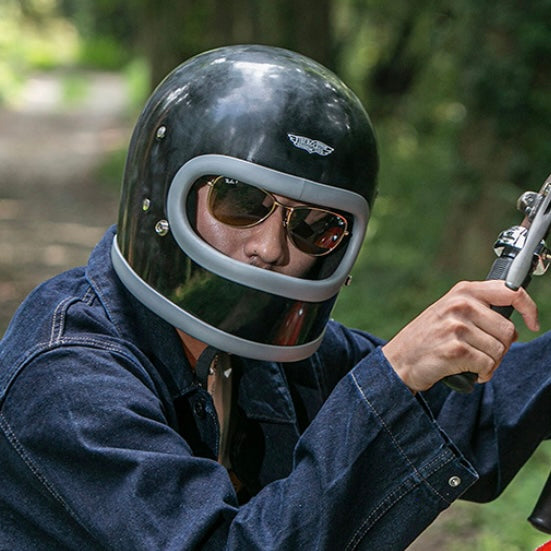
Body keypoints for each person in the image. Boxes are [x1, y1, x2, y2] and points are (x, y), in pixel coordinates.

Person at [0, 44, 549, 550]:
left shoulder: (258, 346)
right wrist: (393, 375)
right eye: (241, 201)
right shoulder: (67, 377)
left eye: (316, 226)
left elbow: (467, 419)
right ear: (165, 194)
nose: (270, 248)